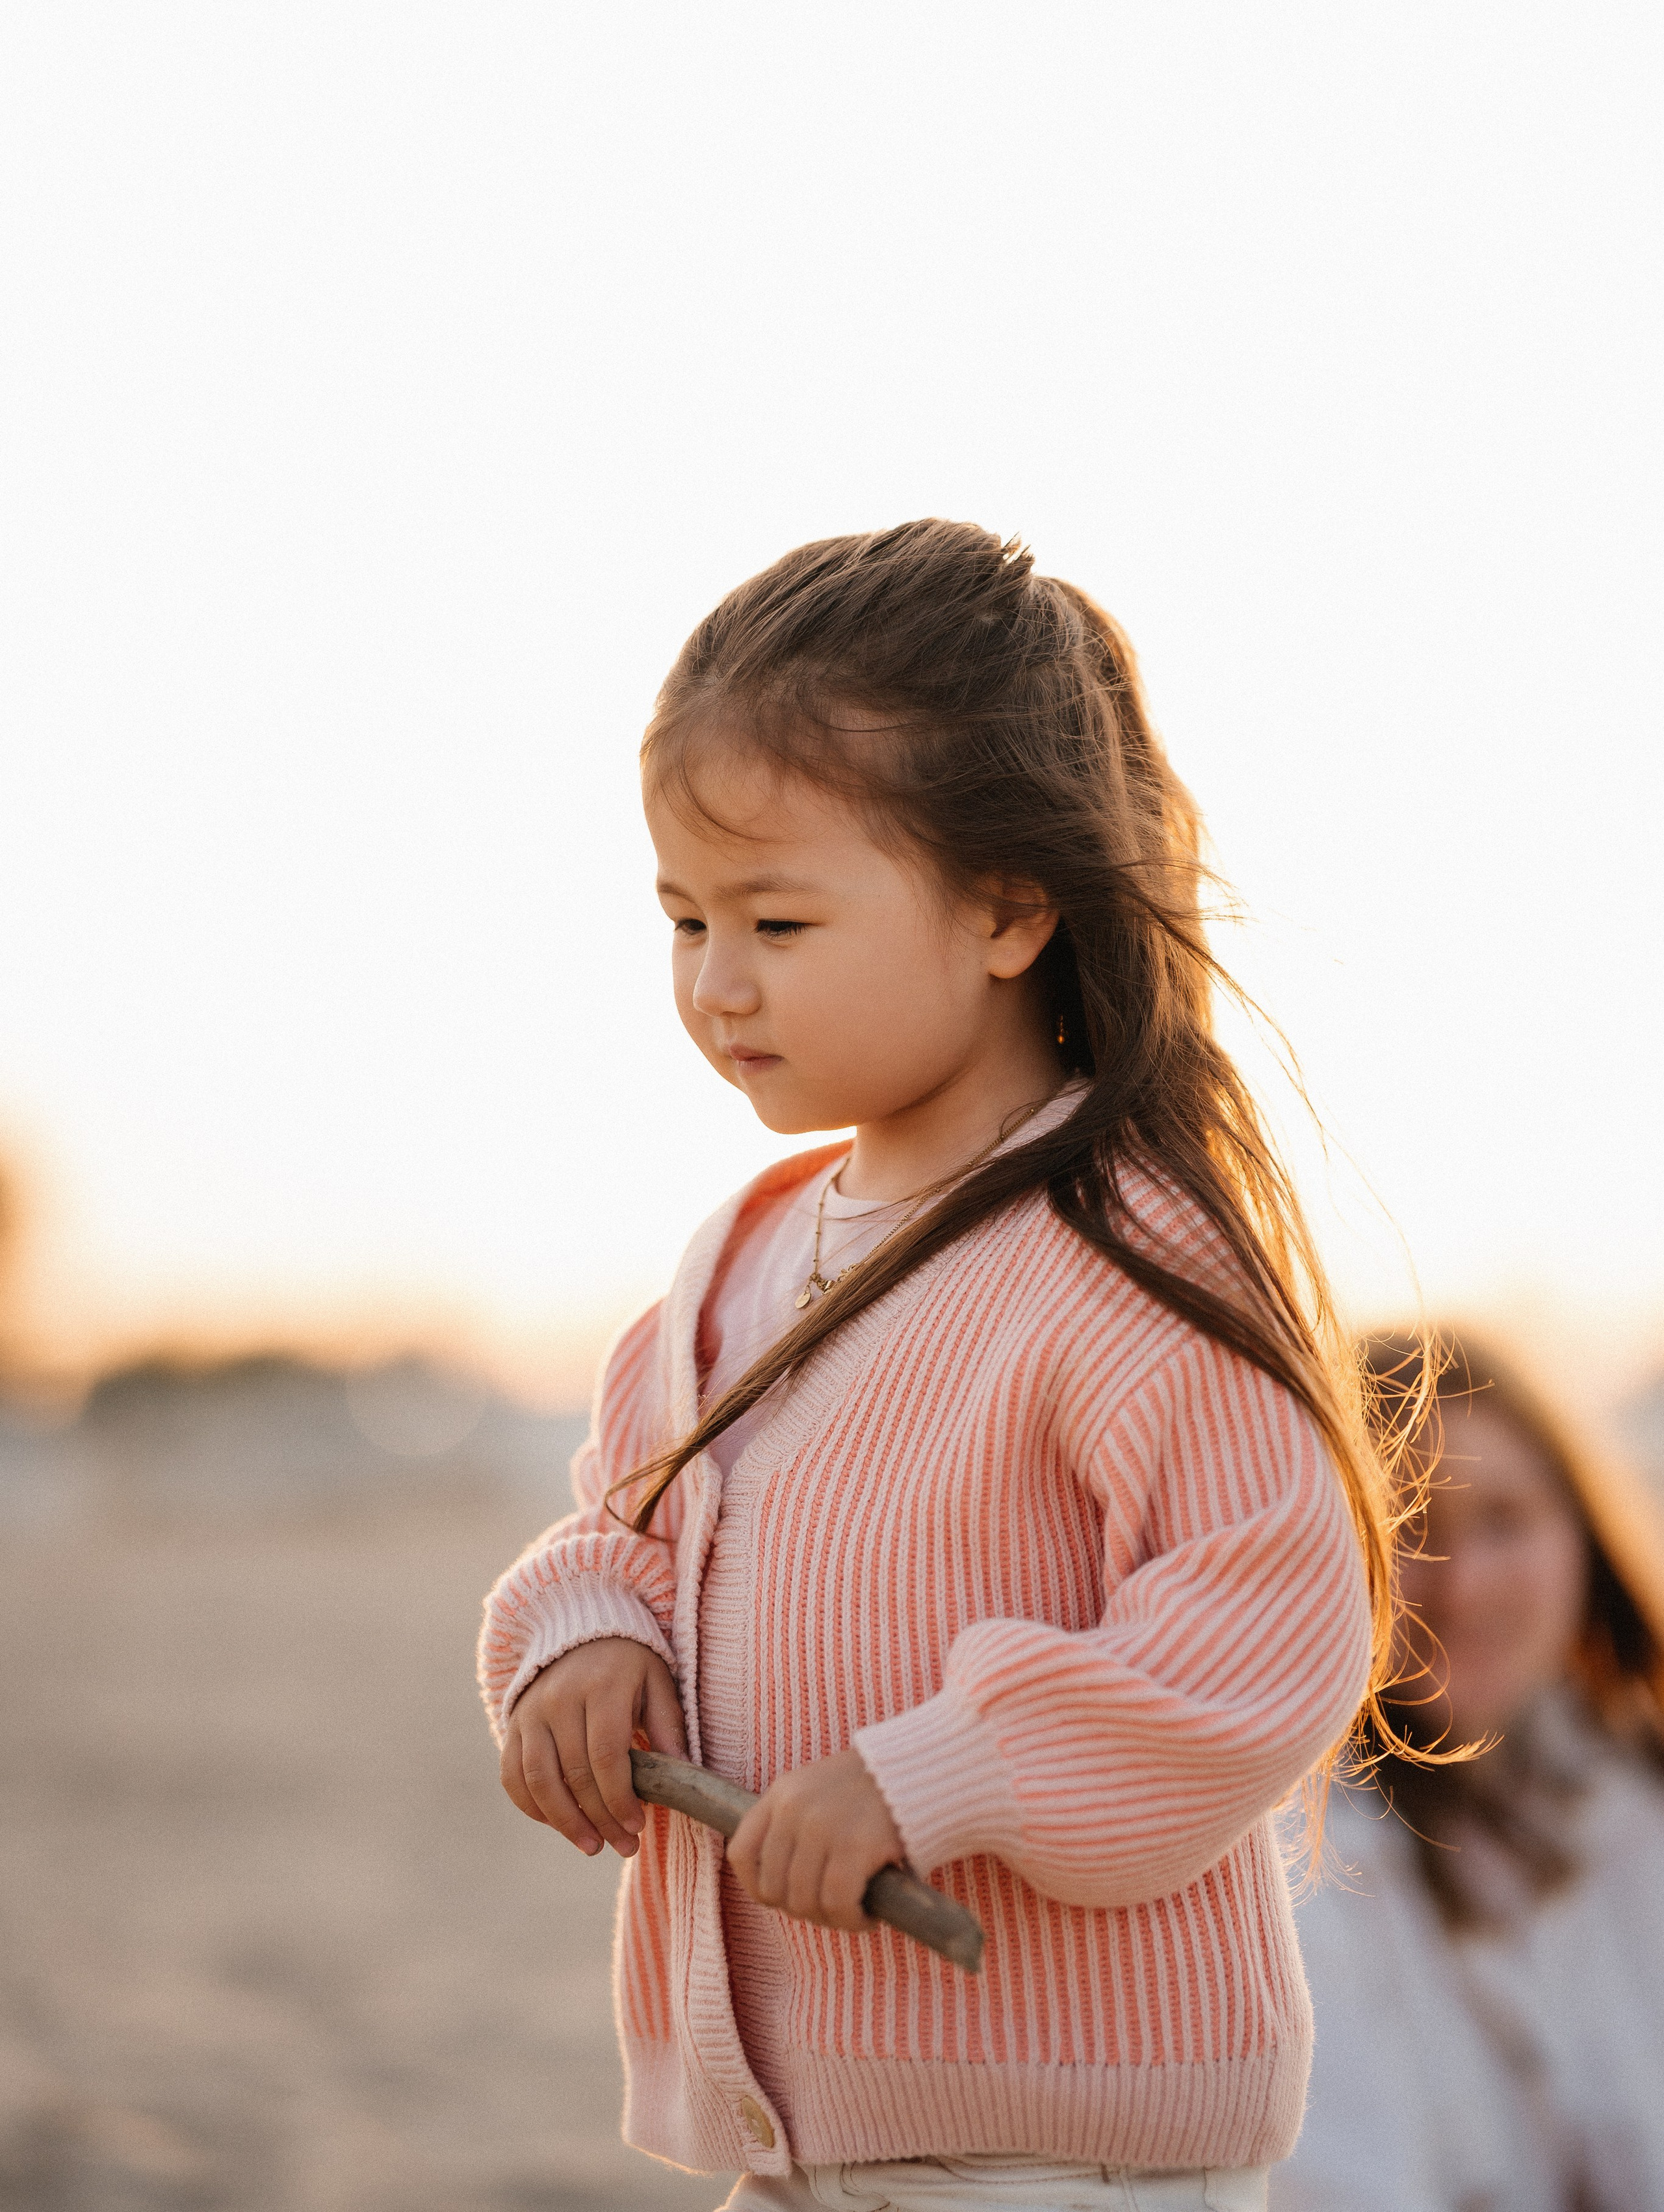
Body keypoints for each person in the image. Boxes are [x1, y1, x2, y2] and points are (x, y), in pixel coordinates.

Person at [478, 522, 1410, 2212]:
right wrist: (583, 1635)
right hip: (800, 2132)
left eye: (776, 916)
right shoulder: (737, 1262)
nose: (716, 982)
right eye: (683, 919)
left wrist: (938, 1774)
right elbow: (626, 1524)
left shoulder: (1125, 1249)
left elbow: (1266, 1626)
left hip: (1061, 2146)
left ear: (1006, 908)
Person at [1273, 1330, 1664, 2212]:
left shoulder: (1634, 1806)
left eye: (1504, 1520)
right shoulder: (1298, 1862)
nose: (1462, 1588)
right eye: (1408, 1528)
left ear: (1581, 1535)